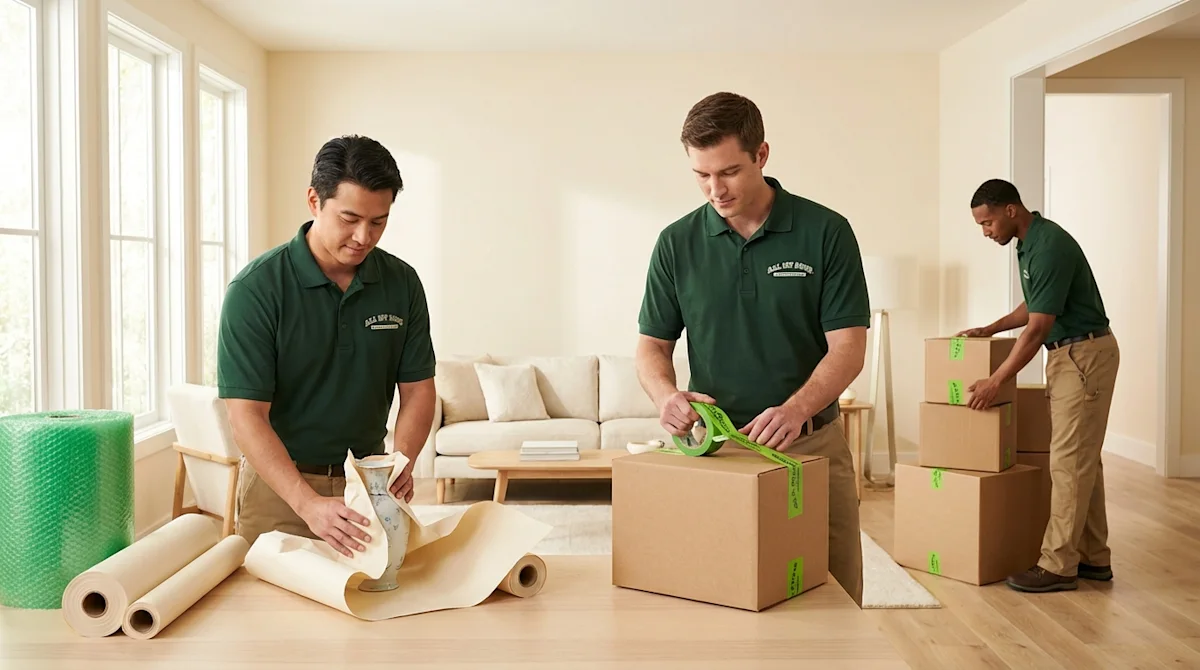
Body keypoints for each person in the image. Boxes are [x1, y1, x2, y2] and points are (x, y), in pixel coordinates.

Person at [635, 91, 871, 607]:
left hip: (809, 446)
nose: (715, 189)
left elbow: (849, 349)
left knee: (834, 598)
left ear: (762, 155)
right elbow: (652, 345)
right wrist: (665, 398)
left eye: (729, 172)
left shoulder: (826, 232)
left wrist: (796, 408)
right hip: (715, 449)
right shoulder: (676, 243)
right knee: (718, 595)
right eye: (701, 175)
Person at [217, 135, 437, 558]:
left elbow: (419, 390)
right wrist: (307, 503)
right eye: (349, 217)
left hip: (369, 487)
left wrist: (401, 462)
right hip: (280, 494)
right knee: (272, 620)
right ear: (314, 201)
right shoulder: (255, 290)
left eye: (378, 221)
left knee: (372, 611)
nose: (363, 236)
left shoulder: (402, 284)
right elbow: (245, 416)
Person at [958, 178, 1119, 593]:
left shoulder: (1048, 245)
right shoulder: (1029, 244)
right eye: (981, 225)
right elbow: (1036, 303)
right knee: (1083, 460)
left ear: (1011, 211)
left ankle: (1058, 566)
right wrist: (991, 328)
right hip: (1071, 356)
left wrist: (996, 380)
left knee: (1067, 463)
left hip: (1083, 356)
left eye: (988, 222)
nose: (986, 232)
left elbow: (1036, 330)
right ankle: (1093, 558)